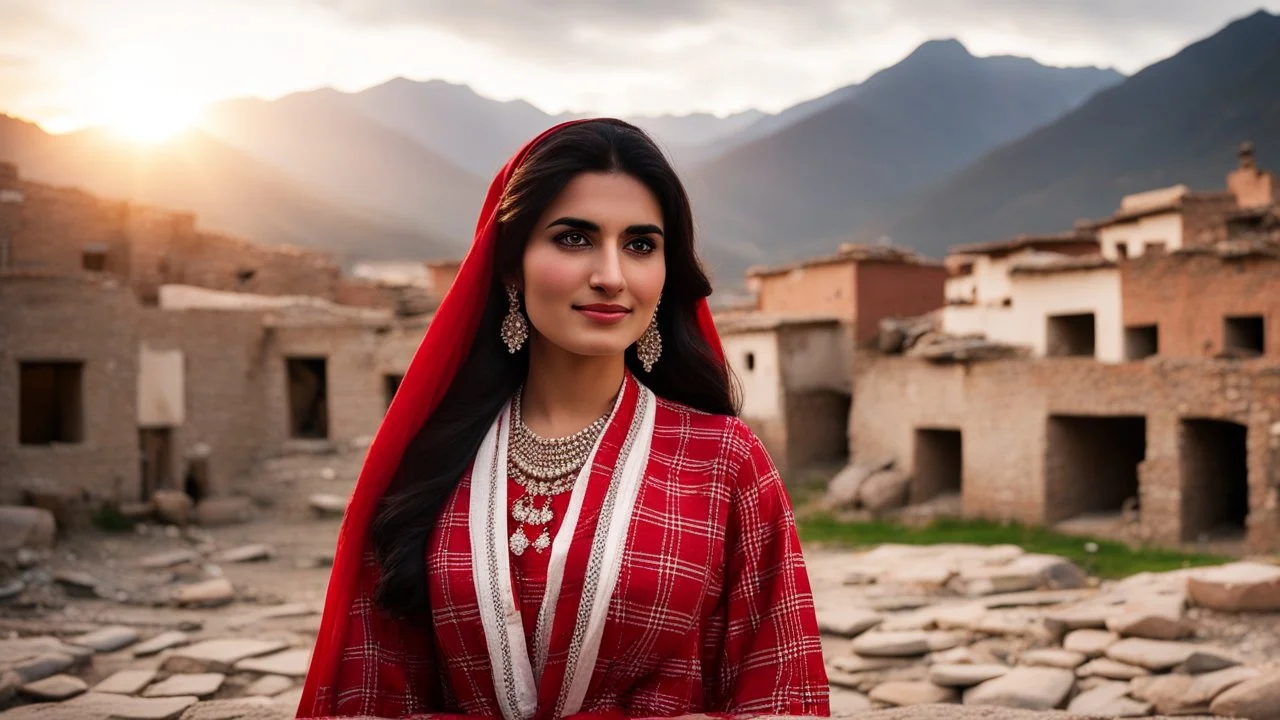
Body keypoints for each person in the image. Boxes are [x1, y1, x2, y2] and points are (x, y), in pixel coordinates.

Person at [297, 118, 829, 720]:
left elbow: (782, 689)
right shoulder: (433, 465)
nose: (611, 276)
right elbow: (373, 691)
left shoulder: (723, 460)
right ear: (508, 266)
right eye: (574, 239)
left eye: (640, 245)